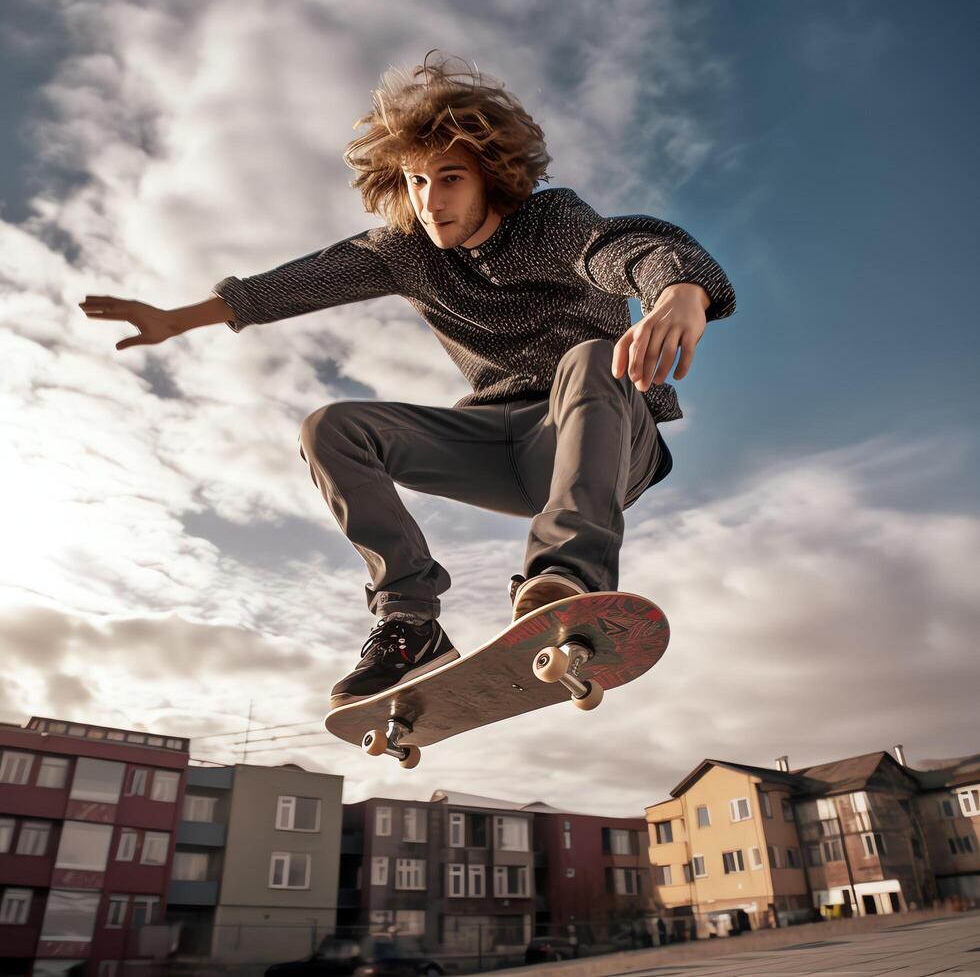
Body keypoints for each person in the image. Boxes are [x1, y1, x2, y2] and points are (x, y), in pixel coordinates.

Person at [79, 51, 736, 709]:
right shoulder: (406, 252)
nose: (431, 202)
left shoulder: (548, 223)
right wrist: (175, 318)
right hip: (499, 443)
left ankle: (569, 575)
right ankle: (410, 624)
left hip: (604, 438)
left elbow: (624, 246)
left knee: (590, 356)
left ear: (492, 180)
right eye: (417, 183)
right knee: (331, 428)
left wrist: (678, 290)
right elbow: (293, 284)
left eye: (449, 179)